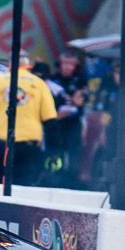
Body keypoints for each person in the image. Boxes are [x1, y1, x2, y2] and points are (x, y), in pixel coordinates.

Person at [0, 51, 58, 186]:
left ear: (9, 64)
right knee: (23, 187)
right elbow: (50, 122)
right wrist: (53, 153)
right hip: (27, 147)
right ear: (28, 64)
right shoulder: (40, 84)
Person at [50, 51, 88, 188]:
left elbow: (79, 101)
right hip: (55, 125)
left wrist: (67, 106)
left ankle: (71, 182)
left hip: (72, 124)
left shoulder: (80, 80)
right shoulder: (52, 79)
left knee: (73, 153)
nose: (67, 67)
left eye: (71, 64)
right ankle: (52, 179)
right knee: (54, 152)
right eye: (65, 63)